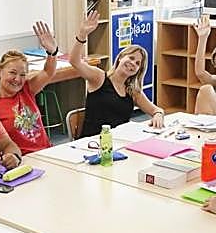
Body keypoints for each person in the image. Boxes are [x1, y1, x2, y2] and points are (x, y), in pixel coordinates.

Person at [69, 9, 164, 137]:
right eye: (131, 58)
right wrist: (82, 35)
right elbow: (74, 61)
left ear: (138, 71)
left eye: (137, 63)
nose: (132, 63)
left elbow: (156, 110)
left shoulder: (132, 91)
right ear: (120, 58)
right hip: (94, 142)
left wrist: (158, 114)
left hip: (120, 140)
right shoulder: (99, 78)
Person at [0, 21, 72, 153]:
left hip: (45, 152)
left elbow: (48, 72)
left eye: (22, 75)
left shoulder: (26, 90)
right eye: (12, 73)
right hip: (22, 158)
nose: (17, 79)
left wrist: (52, 52)